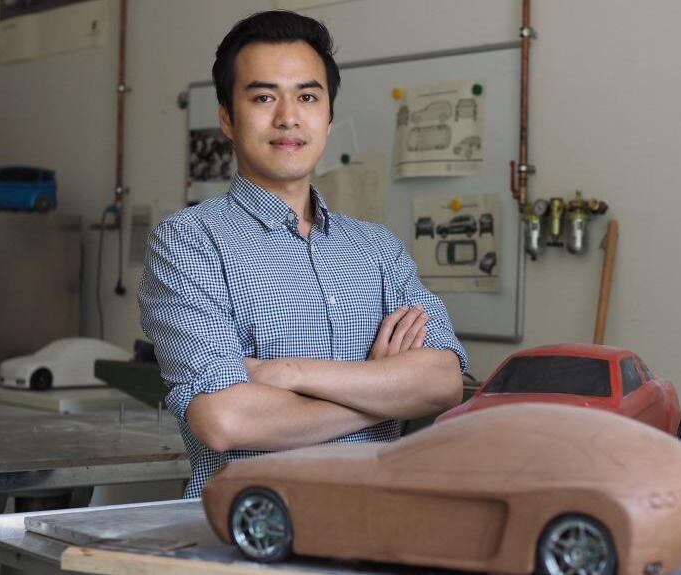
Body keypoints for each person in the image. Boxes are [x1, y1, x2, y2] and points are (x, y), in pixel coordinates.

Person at [139, 10, 468, 498]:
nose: (288, 117)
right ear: (227, 117)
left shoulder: (376, 249)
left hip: (376, 524)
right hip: (246, 536)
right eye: (264, 96)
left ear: (329, 118)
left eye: (308, 97)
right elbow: (224, 418)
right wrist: (383, 393)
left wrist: (292, 373)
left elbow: (442, 382)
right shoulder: (190, 241)